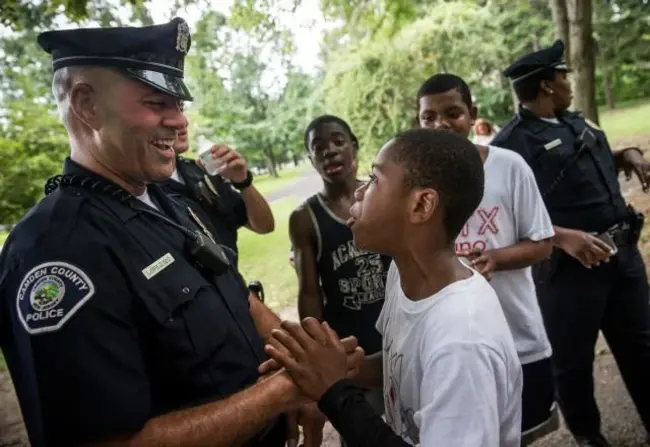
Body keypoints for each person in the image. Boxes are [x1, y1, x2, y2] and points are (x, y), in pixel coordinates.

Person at [0, 19, 358, 446]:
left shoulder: (166, 200)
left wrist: (300, 356)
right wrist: (285, 389)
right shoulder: (56, 250)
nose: (178, 120)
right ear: (87, 105)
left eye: (179, 104)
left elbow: (237, 295)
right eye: (157, 103)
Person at [265, 128, 523, 446]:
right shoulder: (403, 276)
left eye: (373, 180)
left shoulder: (461, 343)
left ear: (421, 206)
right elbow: (400, 366)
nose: (359, 192)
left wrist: (334, 392)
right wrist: (342, 368)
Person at [491, 39, 650, 447]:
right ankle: (587, 436)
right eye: (563, 76)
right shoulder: (511, 145)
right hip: (570, 272)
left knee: (641, 348)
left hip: (622, 256)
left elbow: (583, 164)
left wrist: (626, 154)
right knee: (572, 361)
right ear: (546, 86)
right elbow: (509, 212)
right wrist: (561, 239)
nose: (569, 82)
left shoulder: (574, 122)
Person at [416, 73, 558, 444]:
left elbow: (542, 242)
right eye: (428, 118)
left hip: (518, 341)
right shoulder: (413, 184)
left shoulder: (508, 167)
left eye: (452, 113)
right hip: (452, 351)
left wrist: (494, 258)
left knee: (518, 435)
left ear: (472, 113)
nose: (440, 125)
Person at [289, 115, 392, 442]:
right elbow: (309, 294)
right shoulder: (305, 218)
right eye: (318, 147)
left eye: (337, 141)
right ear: (310, 159)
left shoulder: (381, 195)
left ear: (354, 147)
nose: (330, 151)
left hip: (397, 334)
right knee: (363, 432)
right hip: (352, 349)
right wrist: (314, 354)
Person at [159, 114, 274, 268]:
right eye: (159, 105)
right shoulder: (142, 190)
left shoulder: (203, 172)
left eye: (181, 108)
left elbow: (264, 226)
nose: (183, 121)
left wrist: (243, 182)